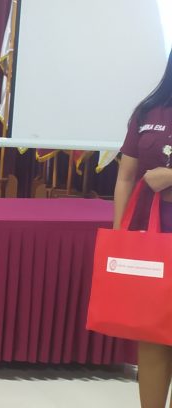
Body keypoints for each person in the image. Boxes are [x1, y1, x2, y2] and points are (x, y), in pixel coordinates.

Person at [115, 50, 172, 408]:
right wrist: (118, 236)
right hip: (154, 232)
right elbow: (125, 176)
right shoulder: (148, 111)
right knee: (152, 334)